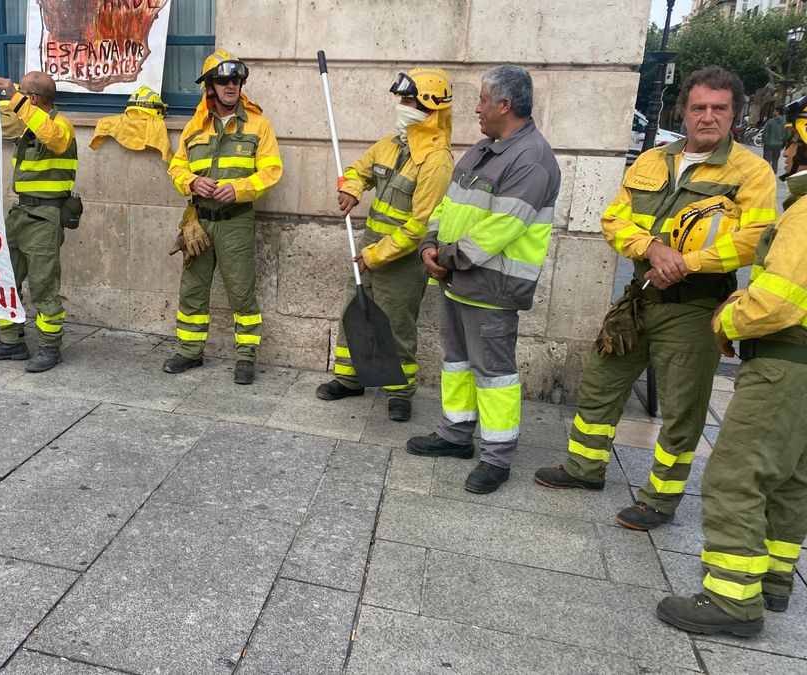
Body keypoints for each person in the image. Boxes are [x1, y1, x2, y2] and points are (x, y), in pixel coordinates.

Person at [534, 66, 777, 530]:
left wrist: (688, 263)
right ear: (684, 111)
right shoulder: (651, 161)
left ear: (734, 114)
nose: (708, 117)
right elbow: (614, 220)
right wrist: (652, 249)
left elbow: (756, 239)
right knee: (601, 381)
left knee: (683, 408)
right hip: (640, 298)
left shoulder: (751, 172)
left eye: (719, 108)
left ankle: (659, 500)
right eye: (699, 107)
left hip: (695, 305)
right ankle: (584, 468)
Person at [657, 95, 807, 637]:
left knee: (737, 475)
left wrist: (729, 318)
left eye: (791, 141)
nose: (784, 150)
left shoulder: (805, 214)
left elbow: (778, 302)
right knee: (790, 478)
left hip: (786, 362)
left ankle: (731, 598)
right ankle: (772, 580)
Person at [405, 65, 560, 495]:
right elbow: (447, 205)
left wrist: (445, 258)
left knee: (494, 374)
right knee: (457, 362)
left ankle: (497, 457)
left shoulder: (531, 159)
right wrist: (429, 244)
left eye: (482, 100)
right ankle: (455, 435)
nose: (476, 108)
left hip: (492, 287)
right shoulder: (482, 150)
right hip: (458, 278)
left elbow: (501, 228)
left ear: (504, 105)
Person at [315, 68, 455, 421]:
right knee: (354, 312)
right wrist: (352, 189)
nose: (401, 106)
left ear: (430, 109)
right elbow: (358, 170)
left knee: (397, 325)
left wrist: (374, 256)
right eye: (401, 99)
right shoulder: (389, 145)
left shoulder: (437, 161)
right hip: (369, 248)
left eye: (408, 101)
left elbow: (419, 226)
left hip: (401, 260)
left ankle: (400, 392)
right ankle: (349, 380)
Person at [162, 49, 283, 385]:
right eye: (223, 80)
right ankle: (190, 351)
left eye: (236, 80)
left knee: (241, 293)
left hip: (235, 221)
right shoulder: (195, 126)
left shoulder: (259, 125)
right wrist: (192, 182)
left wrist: (239, 189)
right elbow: (177, 166)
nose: (231, 85)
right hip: (199, 221)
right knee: (192, 290)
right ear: (210, 87)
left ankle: (245, 358)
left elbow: (272, 171)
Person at [0, 72, 76, 373]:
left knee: (43, 285)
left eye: (21, 93)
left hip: (46, 216)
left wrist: (14, 97)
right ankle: (11, 341)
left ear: (31, 98)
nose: (13, 98)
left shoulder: (61, 125)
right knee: (4, 278)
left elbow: (54, 139)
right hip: (20, 213)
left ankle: (50, 347)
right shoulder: (26, 123)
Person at [762, 106, 788, 173]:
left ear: (777, 112)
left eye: (774, 111)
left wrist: (764, 140)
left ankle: (766, 173)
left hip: (769, 143)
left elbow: (765, 132)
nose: (773, 112)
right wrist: (782, 140)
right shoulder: (785, 122)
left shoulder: (770, 121)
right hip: (778, 144)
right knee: (775, 160)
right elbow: (788, 134)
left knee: (767, 160)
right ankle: (774, 173)